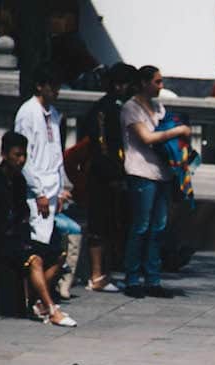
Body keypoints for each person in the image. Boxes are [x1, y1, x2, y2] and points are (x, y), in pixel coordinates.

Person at [0, 131, 76, 326]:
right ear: (5, 155)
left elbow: (22, 213)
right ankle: (51, 310)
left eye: (24, 155)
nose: (21, 160)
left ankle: (36, 301)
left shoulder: (19, 181)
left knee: (58, 254)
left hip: (17, 238)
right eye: (17, 155)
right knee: (35, 260)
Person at [13, 62, 83, 302]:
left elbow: (56, 154)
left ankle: (46, 292)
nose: (56, 91)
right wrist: (39, 192)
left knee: (54, 244)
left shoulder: (53, 114)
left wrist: (62, 188)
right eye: (52, 87)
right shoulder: (27, 113)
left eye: (57, 87)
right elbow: (25, 158)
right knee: (39, 245)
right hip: (36, 191)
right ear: (40, 86)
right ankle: (34, 298)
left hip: (53, 188)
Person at [121, 65, 192, 298]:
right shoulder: (131, 108)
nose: (161, 86)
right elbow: (147, 138)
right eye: (157, 82)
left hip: (162, 173)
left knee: (158, 227)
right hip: (141, 172)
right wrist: (178, 130)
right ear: (144, 83)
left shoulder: (158, 107)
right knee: (140, 226)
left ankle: (153, 278)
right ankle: (132, 277)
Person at [83, 62, 136, 292]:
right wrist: (112, 173)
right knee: (99, 224)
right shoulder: (105, 109)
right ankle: (96, 275)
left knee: (113, 225)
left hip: (118, 173)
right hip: (102, 175)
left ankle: (107, 272)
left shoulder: (124, 107)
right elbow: (102, 144)